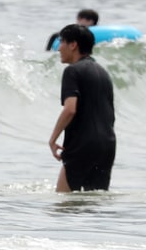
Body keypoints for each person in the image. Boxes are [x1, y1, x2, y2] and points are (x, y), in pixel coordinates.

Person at [47, 24, 116, 192]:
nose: (58, 49)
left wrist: (53, 139)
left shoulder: (72, 71)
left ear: (73, 45)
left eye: (62, 42)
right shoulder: (103, 72)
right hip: (107, 145)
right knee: (93, 204)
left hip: (83, 144)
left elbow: (70, 109)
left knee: (63, 204)